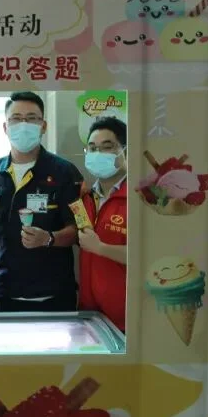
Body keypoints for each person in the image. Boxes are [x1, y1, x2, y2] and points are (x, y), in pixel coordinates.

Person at [0, 91, 84, 312]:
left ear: (43, 126)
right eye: (16, 119)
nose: (23, 125)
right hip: (4, 291)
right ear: (5, 127)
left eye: (31, 118)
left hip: (54, 291)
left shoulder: (65, 172)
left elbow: (80, 229)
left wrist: (49, 238)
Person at [77, 116, 128, 332]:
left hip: (126, 317)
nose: (98, 154)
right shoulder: (86, 198)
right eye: (92, 148)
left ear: (125, 151)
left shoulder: (140, 199)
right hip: (90, 316)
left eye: (107, 147)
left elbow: (147, 256)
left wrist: (101, 248)